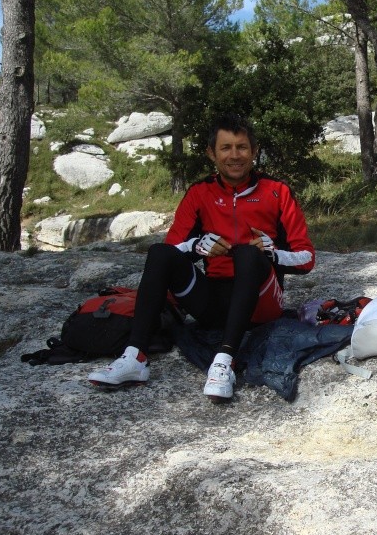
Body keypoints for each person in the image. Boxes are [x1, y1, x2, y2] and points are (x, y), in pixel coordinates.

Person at [87, 113, 315, 400]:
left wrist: (273, 253)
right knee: (158, 253)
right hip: (212, 303)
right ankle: (134, 357)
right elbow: (170, 252)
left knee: (247, 253)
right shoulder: (199, 193)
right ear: (211, 153)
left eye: (242, 147)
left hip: (261, 302)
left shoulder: (277, 192)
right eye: (226, 148)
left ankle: (224, 362)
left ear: (254, 152)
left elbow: (306, 258)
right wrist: (197, 246)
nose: (235, 155)